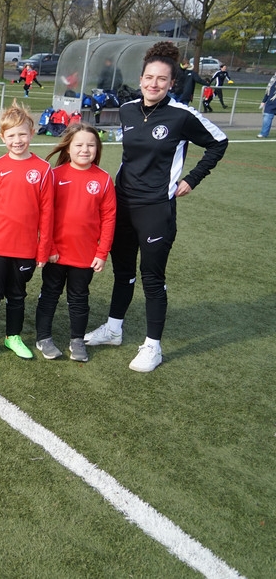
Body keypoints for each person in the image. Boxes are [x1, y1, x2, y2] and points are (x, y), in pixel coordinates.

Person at [85, 42, 228, 372]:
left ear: (171, 82)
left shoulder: (181, 115)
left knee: (152, 277)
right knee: (123, 272)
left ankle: (153, 347)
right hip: (122, 204)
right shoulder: (127, 110)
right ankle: (114, 329)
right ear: (141, 78)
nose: (154, 84)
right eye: (149, 77)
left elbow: (219, 142)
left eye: (162, 79)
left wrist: (192, 179)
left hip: (155, 209)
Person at [0, 102, 53, 364]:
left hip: (26, 248)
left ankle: (13, 336)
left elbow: (47, 213)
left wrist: (43, 249)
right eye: (11, 135)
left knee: (17, 295)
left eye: (22, 134)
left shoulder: (43, 169)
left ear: (32, 133)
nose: (17, 140)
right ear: (2, 137)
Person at [34, 124, 116, 362]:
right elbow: (44, 215)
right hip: (56, 254)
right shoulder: (55, 175)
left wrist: (102, 252)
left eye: (91, 145)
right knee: (49, 295)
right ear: (68, 148)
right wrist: (49, 247)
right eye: (79, 145)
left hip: (85, 255)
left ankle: (77, 340)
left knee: (79, 298)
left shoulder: (103, 179)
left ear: (97, 148)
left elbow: (109, 218)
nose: (85, 150)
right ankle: (43, 337)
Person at [259, 71, 276, 138]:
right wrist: (263, 101)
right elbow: (268, 92)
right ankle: (264, 133)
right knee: (267, 116)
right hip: (271, 103)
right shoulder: (273, 80)